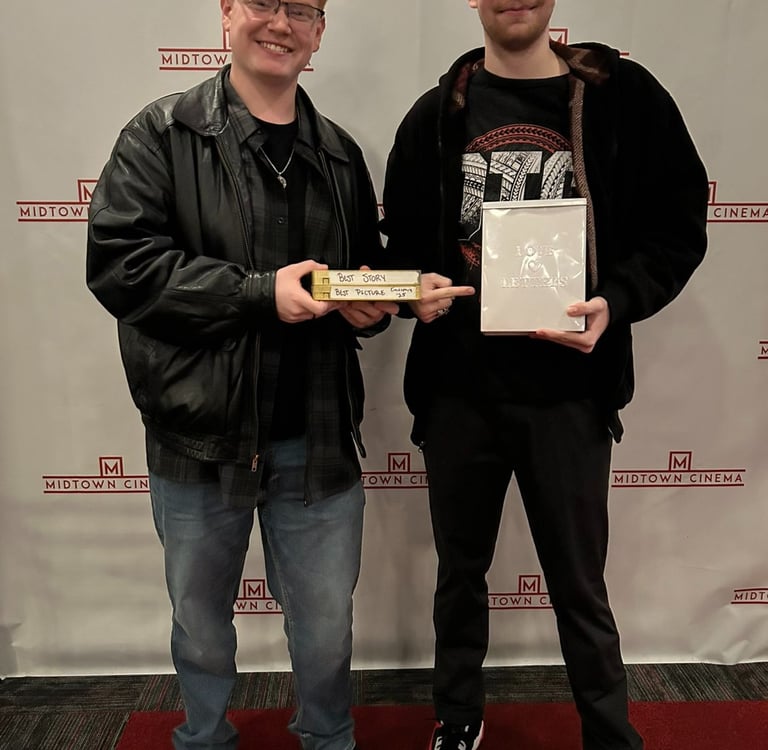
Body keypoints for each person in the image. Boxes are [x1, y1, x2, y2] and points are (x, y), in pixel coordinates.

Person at [380, 1, 708, 749]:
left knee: (580, 585)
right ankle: (457, 720)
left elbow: (678, 224)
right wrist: (409, 292)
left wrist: (616, 301)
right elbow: (403, 251)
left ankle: (609, 732)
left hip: (570, 395)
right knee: (459, 577)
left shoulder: (624, 98)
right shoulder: (433, 116)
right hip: (458, 393)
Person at [86, 1, 396, 748]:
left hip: (318, 438)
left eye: (302, 9)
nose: (280, 23)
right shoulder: (160, 134)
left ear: (320, 31)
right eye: (263, 2)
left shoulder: (340, 153)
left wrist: (374, 307)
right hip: (198, 438)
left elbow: (354, 276)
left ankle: (328, 738)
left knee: (327, 629)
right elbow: (123, 268)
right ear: (227, 12)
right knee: (199, 626)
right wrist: (258, 293)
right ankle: (204, 738)